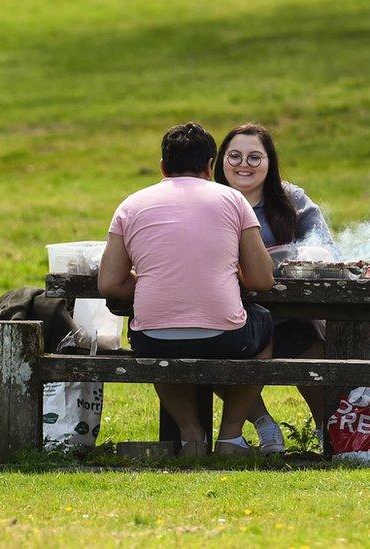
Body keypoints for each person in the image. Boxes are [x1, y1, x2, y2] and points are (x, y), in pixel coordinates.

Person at [98, 122, 276, 457]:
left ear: (163, 166)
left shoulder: (131, 205)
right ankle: (230, 436)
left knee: (157, 338)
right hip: (226, 337)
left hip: (152, 339)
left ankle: (191, 434)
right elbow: (262, 281)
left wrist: (156, 282)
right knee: (263, 324)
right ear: (211, 166)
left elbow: (109, 282)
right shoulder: (233, 200)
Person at [214, 123, 338, 447]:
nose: (244, 164)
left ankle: (329, 428)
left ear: (269, 163)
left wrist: (299, 257)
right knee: (209, 351)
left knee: (310, 346)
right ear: (220, 160)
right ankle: (263, 423)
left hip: (289, 312)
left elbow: (327, 249)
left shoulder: (291, 199)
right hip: (224, 314)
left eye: (255, 157)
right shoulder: (209, 201)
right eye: (235, 156)